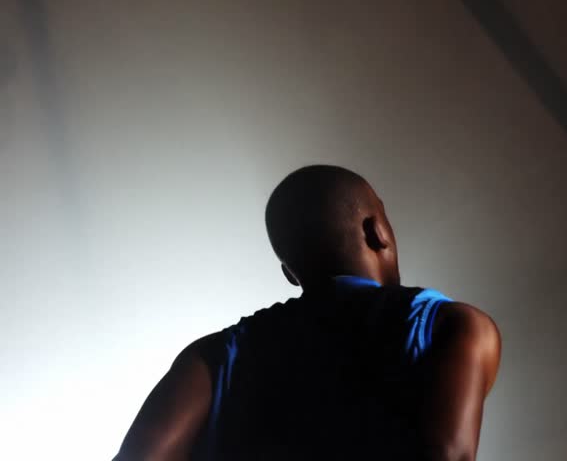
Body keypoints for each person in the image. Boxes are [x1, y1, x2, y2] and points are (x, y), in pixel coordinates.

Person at [115, 165, 501, 460]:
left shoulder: (212, 357)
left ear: (289, 273)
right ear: (376, 230)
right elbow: (449, 454)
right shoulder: (456, 326)